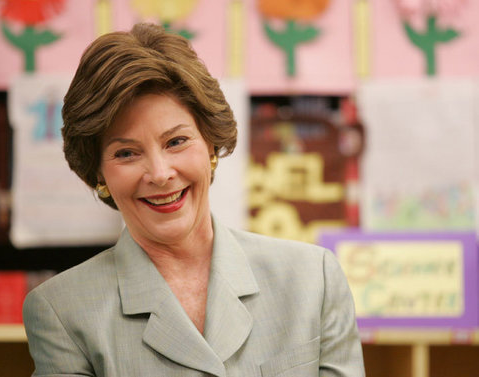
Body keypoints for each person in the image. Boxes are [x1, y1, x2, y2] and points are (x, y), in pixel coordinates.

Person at [23, 23, 365, 377]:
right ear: (99, 174)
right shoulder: (61, 312)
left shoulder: (313, 279)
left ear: (211, 146)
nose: (159, 173)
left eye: (175, 142)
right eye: (126, 153)